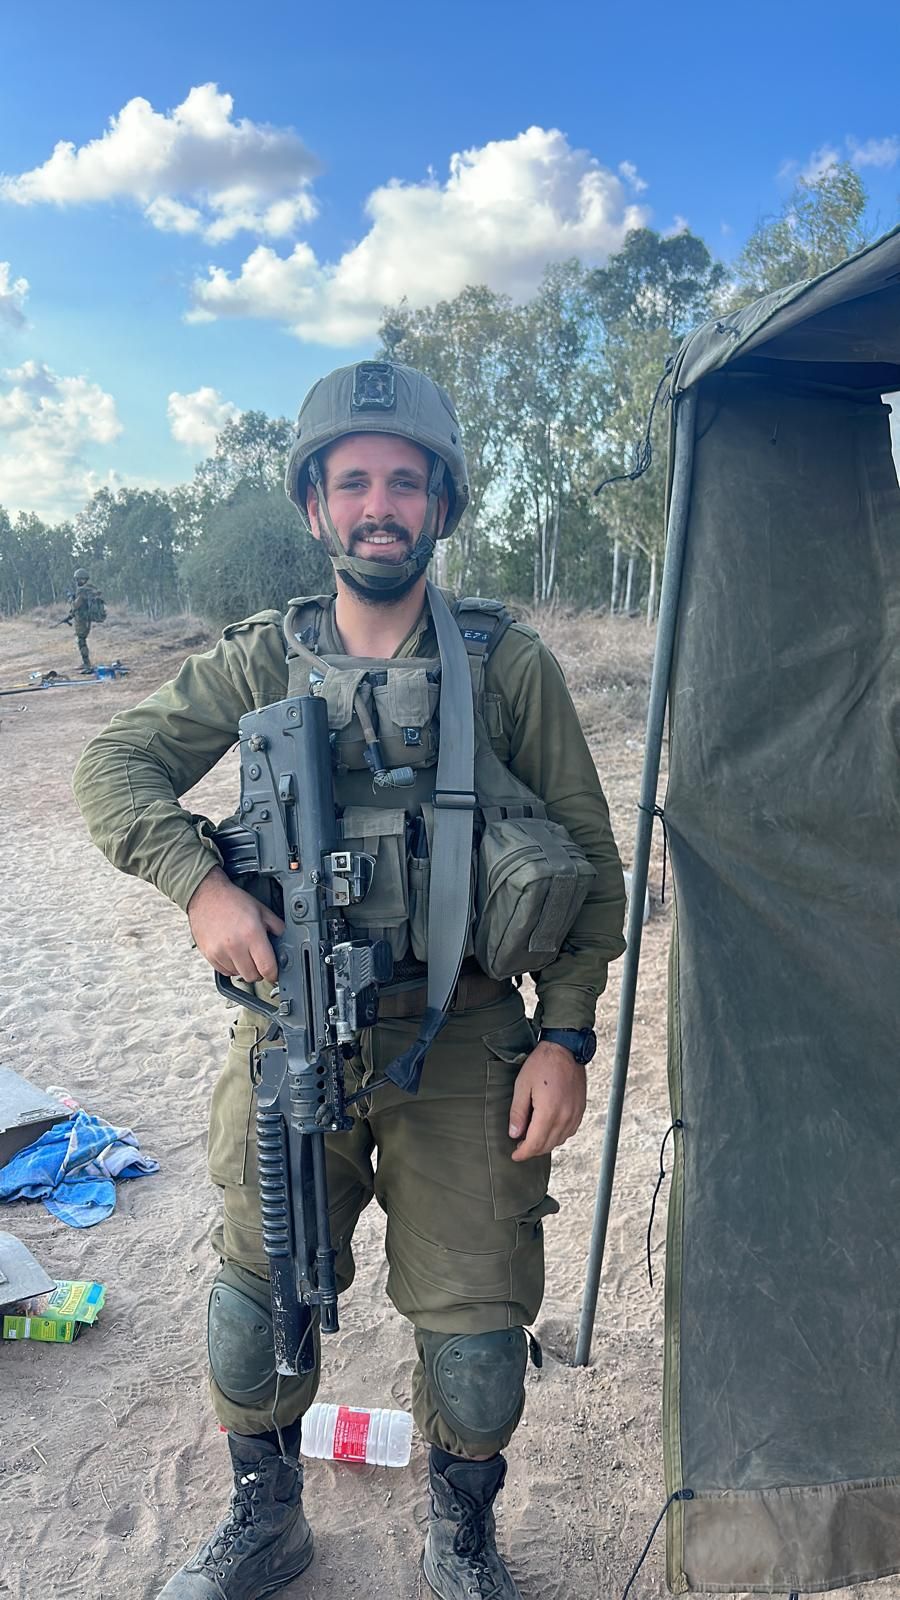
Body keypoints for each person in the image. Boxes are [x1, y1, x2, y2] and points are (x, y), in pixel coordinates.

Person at [73, 361, 626, 1600]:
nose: (382, 504)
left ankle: (462, 1536)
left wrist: (567, 1039)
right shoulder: (260, 660)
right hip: (288, 1043)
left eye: (405, 482)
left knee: (479, 1342)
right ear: (317, 507)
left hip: (471, 1049)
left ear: (441, 502)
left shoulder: (508, 665)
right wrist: (202, 888)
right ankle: (267, 1523)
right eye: (355, 482)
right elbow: (116, 765)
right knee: (257, 1300)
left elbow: (592, 867)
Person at [62, 567, 102, 673]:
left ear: (82, 579)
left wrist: (71, 598)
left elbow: (76, 605)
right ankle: (85, 663)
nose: (77, 582)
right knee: (81, 640)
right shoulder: (89, 590)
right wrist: (71, 615)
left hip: (83, 620)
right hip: (85, 619)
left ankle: (87, 664)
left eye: (78, 579)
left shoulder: (83, 591)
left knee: (81, 641)